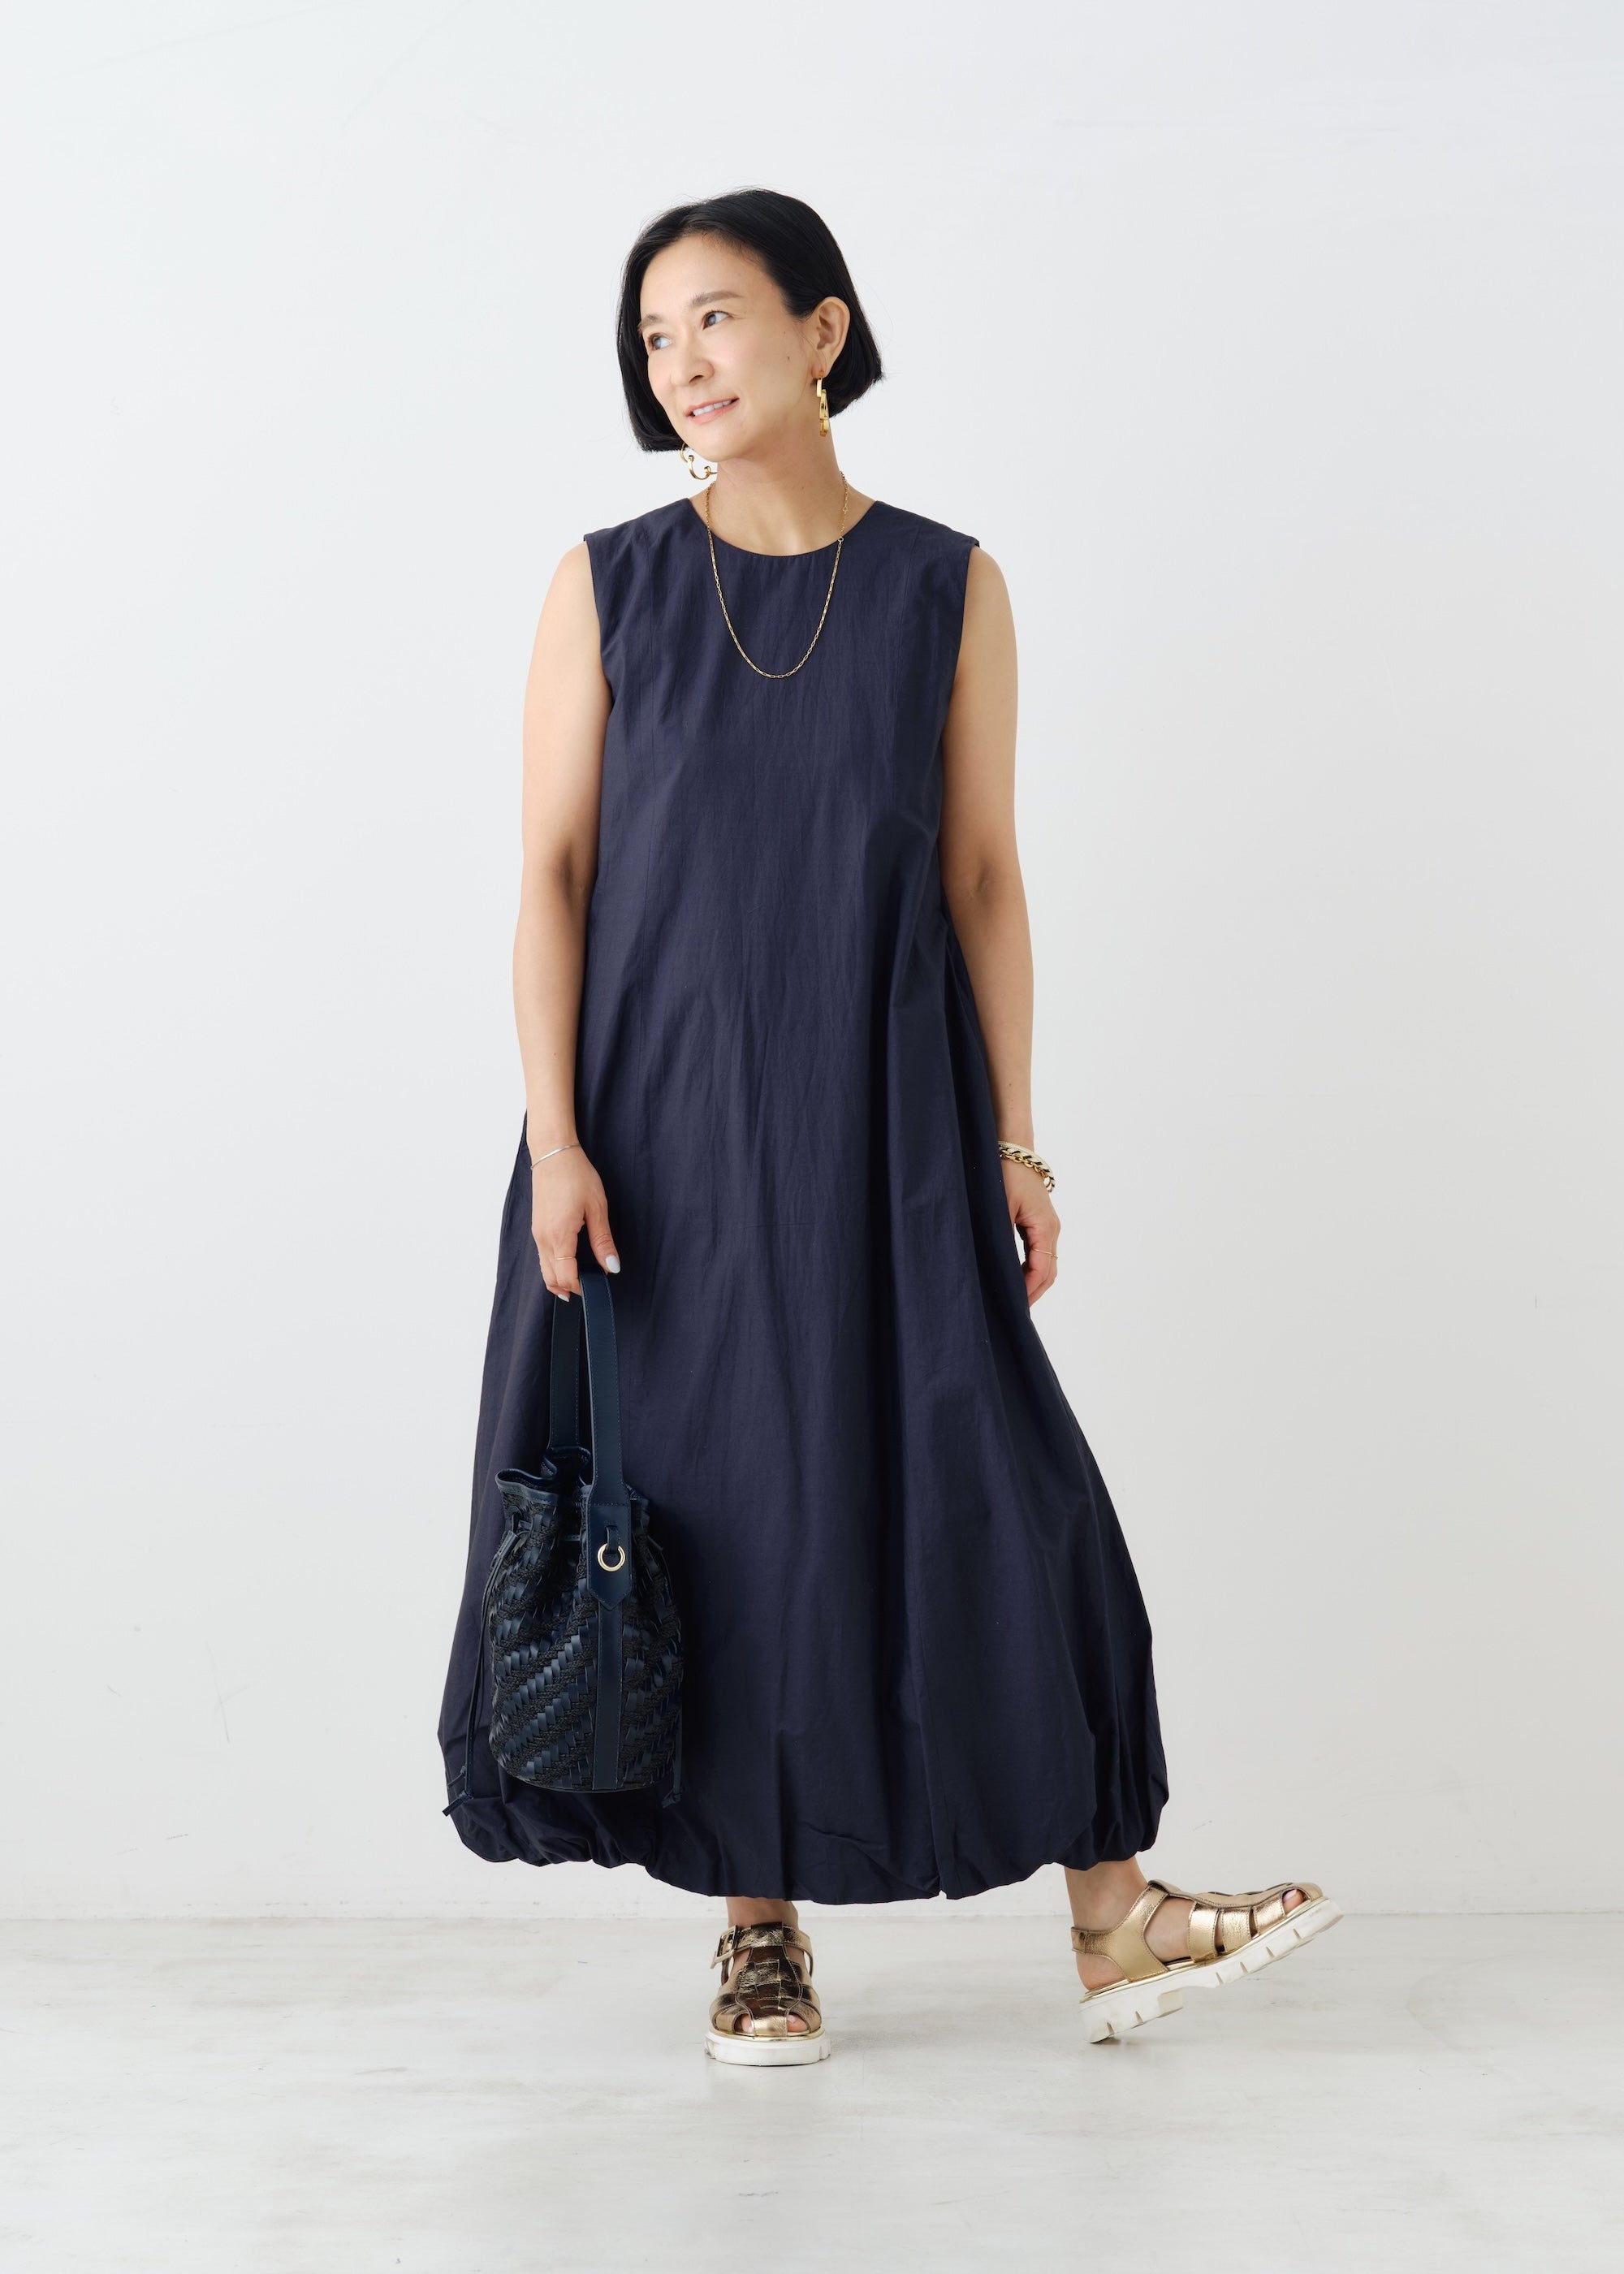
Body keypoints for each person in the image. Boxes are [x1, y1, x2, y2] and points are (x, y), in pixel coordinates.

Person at [438, 188, 1340, 2065]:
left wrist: (1016, 1140)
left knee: (1005, 1487)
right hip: (664, 1130)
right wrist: (555, 1134)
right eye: (653, 336)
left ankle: (1112, 1911)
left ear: (823, 329)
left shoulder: (947, 584)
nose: (680, 361)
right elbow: (549, 872)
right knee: (720, 1509)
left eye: (714, 316)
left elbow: (985, 875)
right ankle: (757, 1930)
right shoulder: (607, 582)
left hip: (888, 1119)